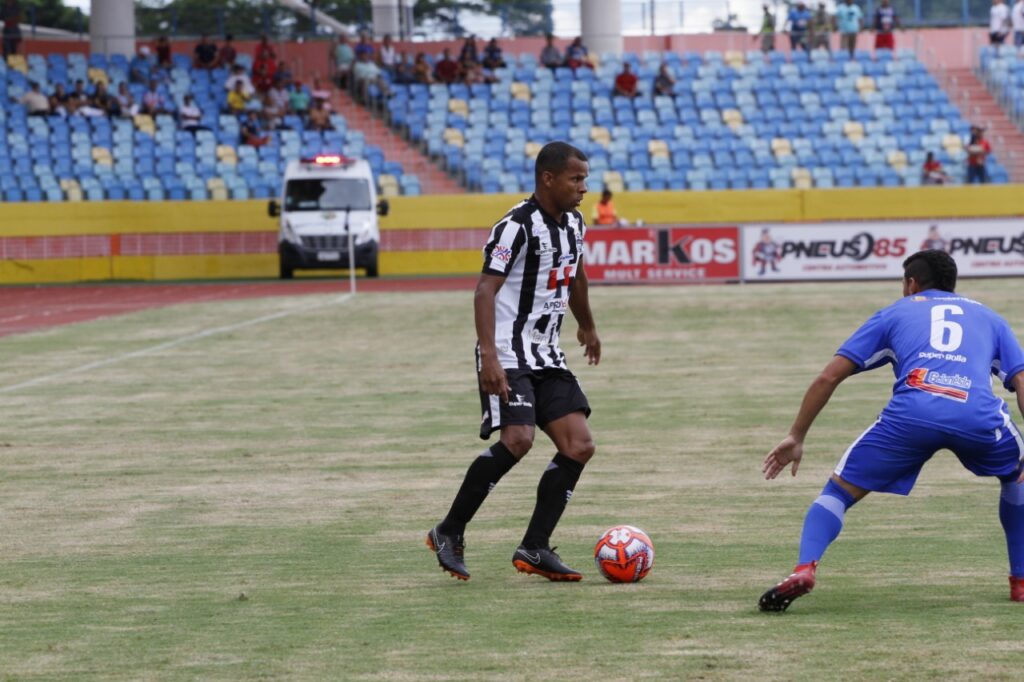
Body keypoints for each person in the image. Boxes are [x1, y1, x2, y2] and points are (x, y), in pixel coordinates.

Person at [759, 250, 1024, 611]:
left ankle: (805, 568)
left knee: (837, 492)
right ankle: (1020, 582)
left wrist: (797, 435)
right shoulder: (990, 318)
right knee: (1017, 476)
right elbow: (1020, 380)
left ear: (912, 283)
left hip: (910, 418)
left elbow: (829, 376)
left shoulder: (896, 312)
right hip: (977, 417)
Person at [426, 141, 601, 583]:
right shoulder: (515, 226)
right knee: (518, 440)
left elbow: (576, 274)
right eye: (576, 179)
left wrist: (588, 326)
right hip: (507, 351)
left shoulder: (575, 223)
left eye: (585, 178)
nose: (584, 187)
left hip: (548, 353)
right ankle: (449, 530)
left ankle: (535, 547)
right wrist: (489, 355)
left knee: (579, 445)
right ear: (548, 178)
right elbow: (485, 290)